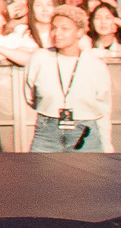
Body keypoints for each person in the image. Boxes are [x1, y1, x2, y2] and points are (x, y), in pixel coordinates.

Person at [26, 10, 114, 152]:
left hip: (84, 133)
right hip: (47, 131)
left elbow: (104, 108)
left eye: (65, 28)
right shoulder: (40, 59)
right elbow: (30, 96)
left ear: (79, 32)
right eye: (54, 28)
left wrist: (107, 146)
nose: (57, 33)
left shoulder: (95, 65)